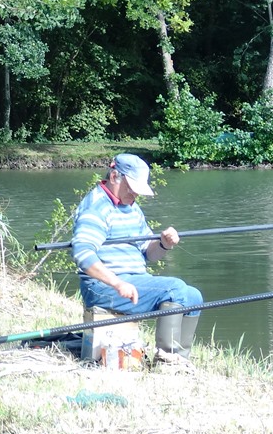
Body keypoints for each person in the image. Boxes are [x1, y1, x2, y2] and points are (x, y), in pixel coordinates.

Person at [71, 153, 202, 366]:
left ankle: (180, 359)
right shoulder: (96, 207)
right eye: (132, 188)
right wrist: (117, 283)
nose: (135, 194)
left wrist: (164, 244)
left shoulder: (131, 207)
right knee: (175, 288)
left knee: (194, 296)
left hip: (134, 279)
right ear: (114, 176)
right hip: (102, 287)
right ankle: (166, 361)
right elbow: (82, 254)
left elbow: (148, 253)